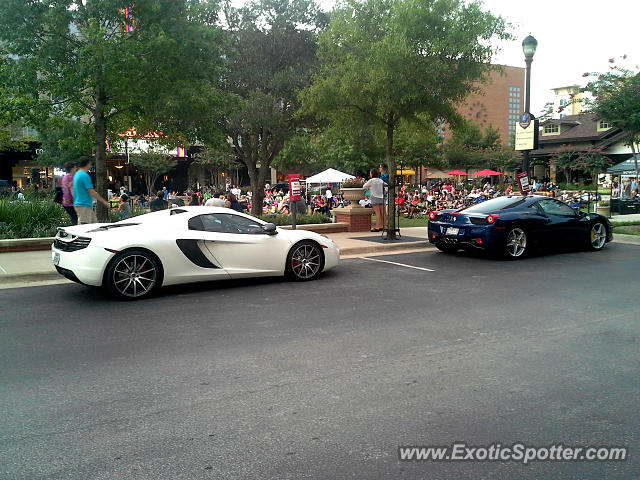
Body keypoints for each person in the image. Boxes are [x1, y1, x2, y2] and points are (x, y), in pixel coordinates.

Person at [73, 156, 109, 224]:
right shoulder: (84, 176)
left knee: (94, 225)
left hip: (82, 204)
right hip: (84, 205)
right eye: (90, 163)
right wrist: (104, 202)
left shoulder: (77, 174)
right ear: (87, 164)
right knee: (85, 228)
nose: (90, 165)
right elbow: (91, 192)